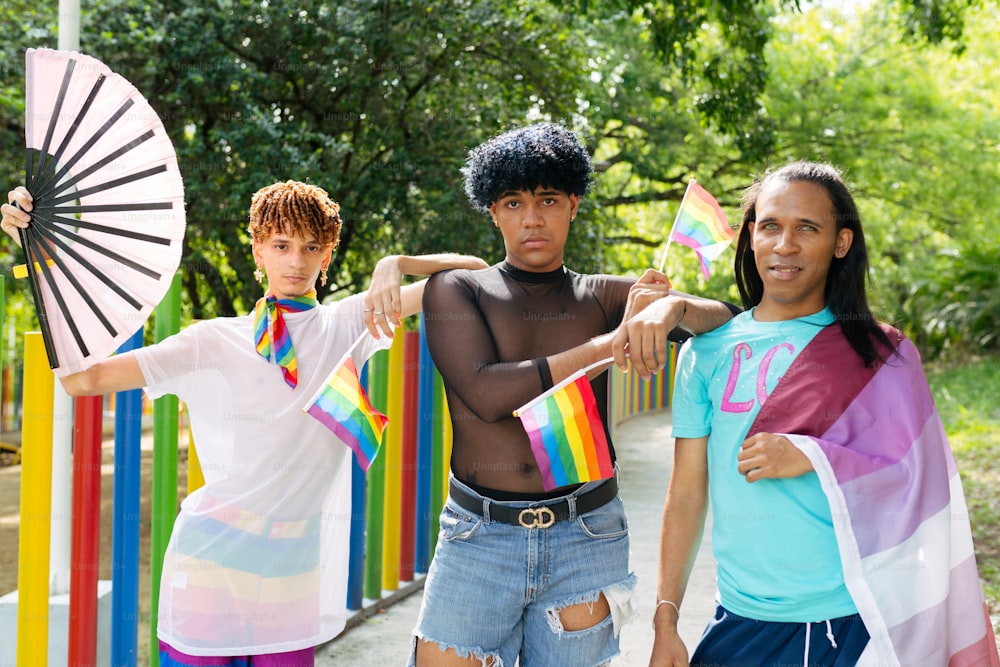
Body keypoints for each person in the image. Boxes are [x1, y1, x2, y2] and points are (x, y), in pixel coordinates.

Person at [1, 181, 488, 666]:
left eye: (310, 247)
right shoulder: (211, 341)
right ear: (257, 250)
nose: (296, 262)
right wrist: (39, 259)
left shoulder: (347, 324)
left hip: (291, 570)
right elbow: (84, 380)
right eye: (281, 245)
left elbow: (477, 275)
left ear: (327, 255)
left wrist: (396, 265)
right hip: (212, 559)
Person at [631, 161, 1000, 666]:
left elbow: (918, 482)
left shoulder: (881, 354)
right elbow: (688, 493)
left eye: (808, 228)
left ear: (841, 242)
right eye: (771, 226)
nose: (786, 245)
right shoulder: (705, 353)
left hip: (854, 624)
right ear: (751, 237)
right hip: (740, 622)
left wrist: (811, 455)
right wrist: (666, 619)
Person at [412, 122, 738, 667]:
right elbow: (487, 393)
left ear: (573, 205)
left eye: (548, 199)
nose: (532, 217)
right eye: (514, 202)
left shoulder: (608, 295)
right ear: (493, 211)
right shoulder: (458, 290)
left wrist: (668, 308)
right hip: (479, 534)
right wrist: (608, 346)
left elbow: (728, 320)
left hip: (585, 533)